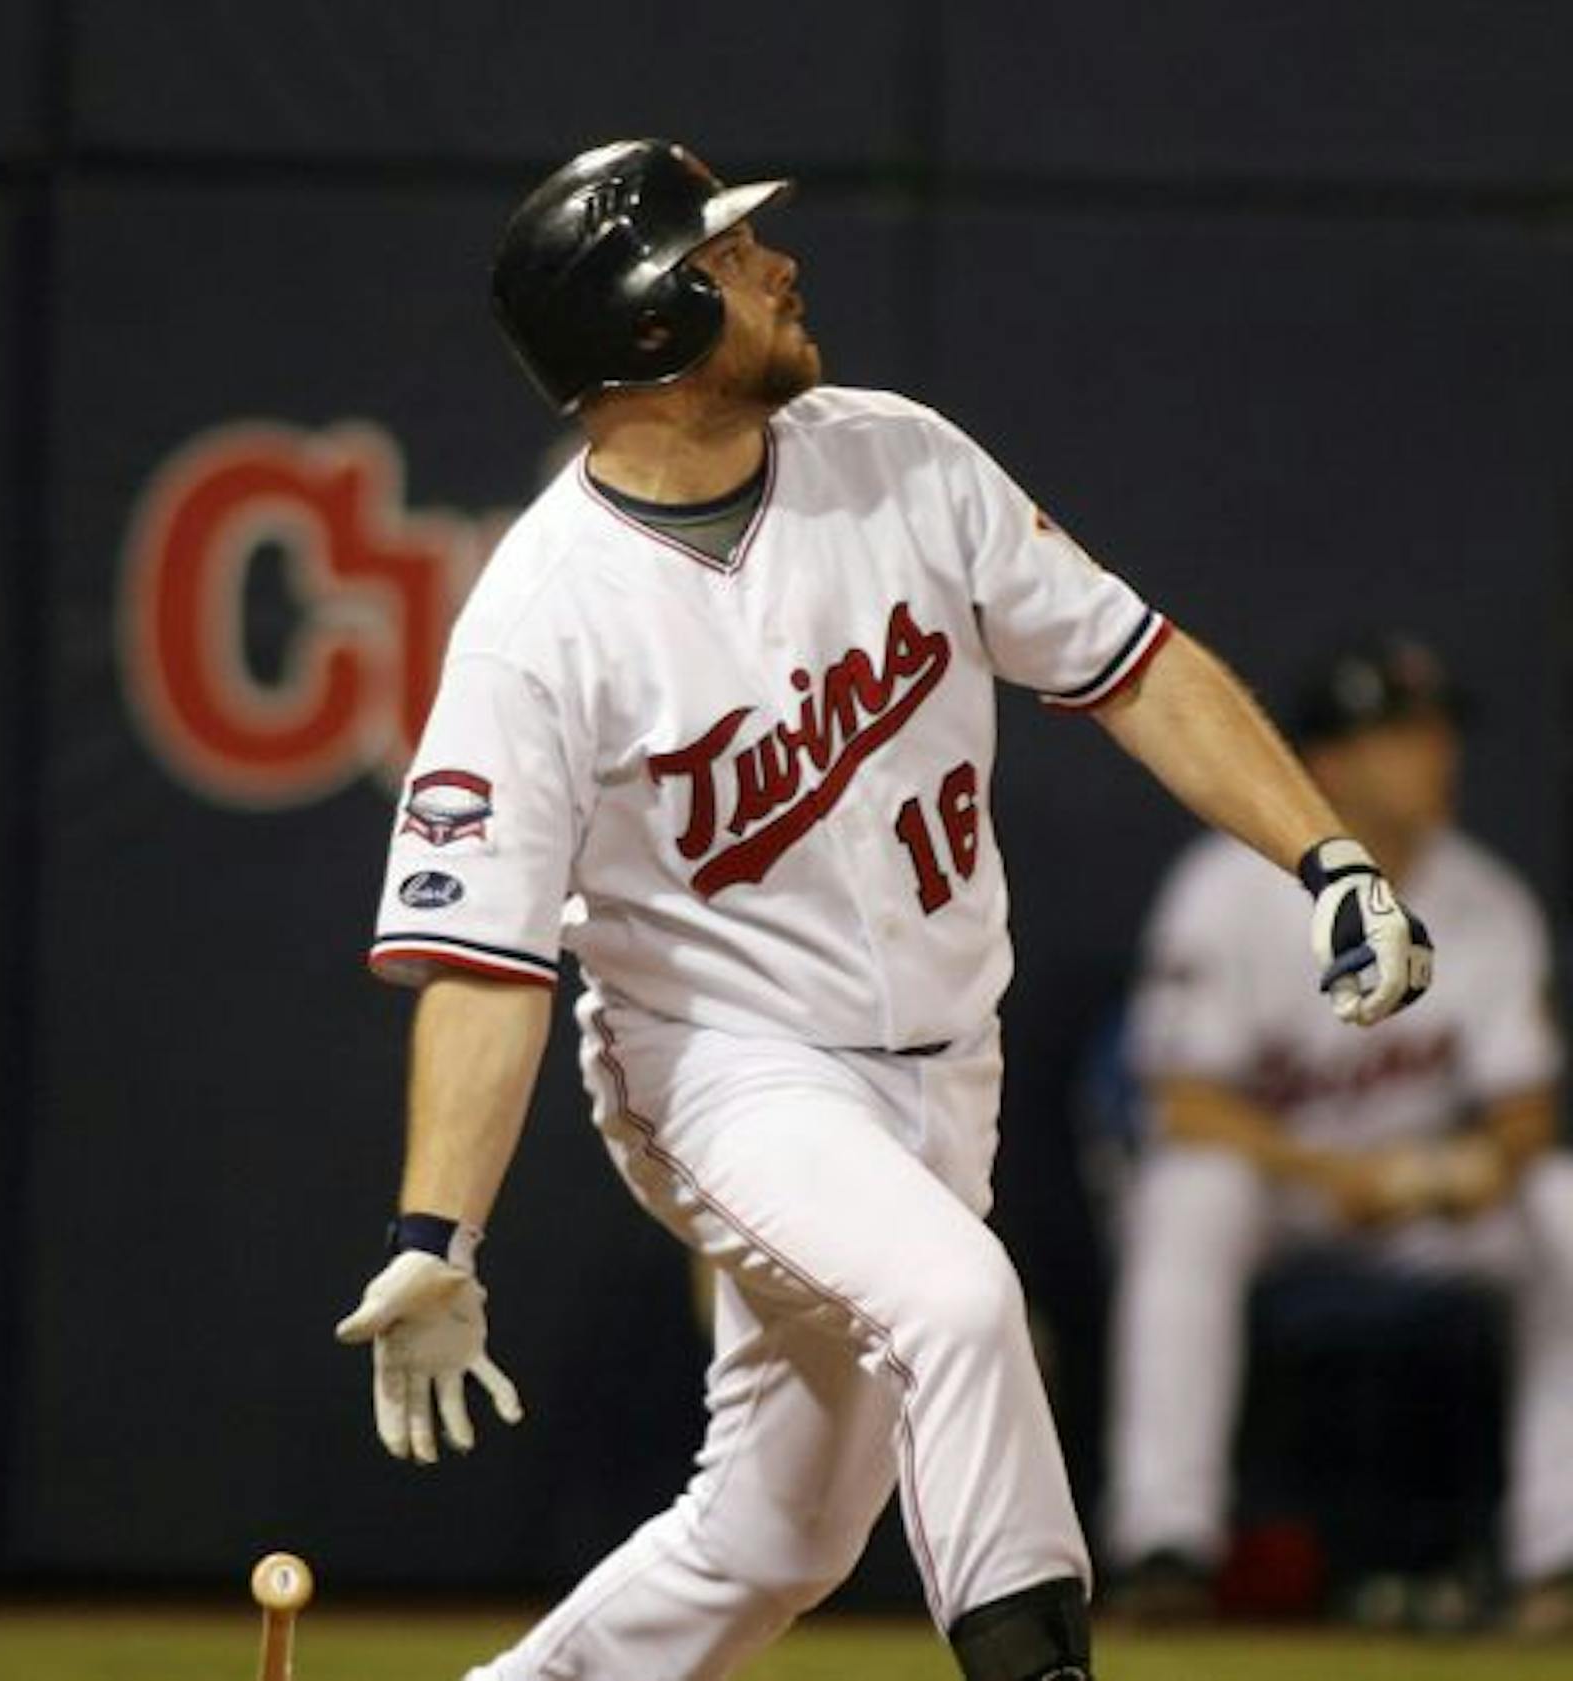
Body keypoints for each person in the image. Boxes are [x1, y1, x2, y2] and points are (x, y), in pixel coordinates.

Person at [330, 137, 1433, 1681]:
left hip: (941, 1060)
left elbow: (1136, 662)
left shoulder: (899, 456)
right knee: (960, 1302)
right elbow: (485, 956)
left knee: (775, 1536)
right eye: (725, 257)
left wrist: (1327, 855)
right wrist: (436, 1231)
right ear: (654, 328)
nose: (776, 263)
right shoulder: (540, 618)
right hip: (728, 1066)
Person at [1105, 636, 1573, 1636]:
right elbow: (1181, 1101)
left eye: (1436, 730)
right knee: (1190, 1192)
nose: (1434, 753)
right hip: (1287, 1187)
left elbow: (1527, 1108)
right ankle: (1166, 1541)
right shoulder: (1227, 888)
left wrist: (1480, 1165)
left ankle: (1557, 1552)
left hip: (1420, 1196)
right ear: (1325, 765)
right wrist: (1333, 1171)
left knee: (1564, 1203)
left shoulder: (1489, 901)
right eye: (1399, 735)